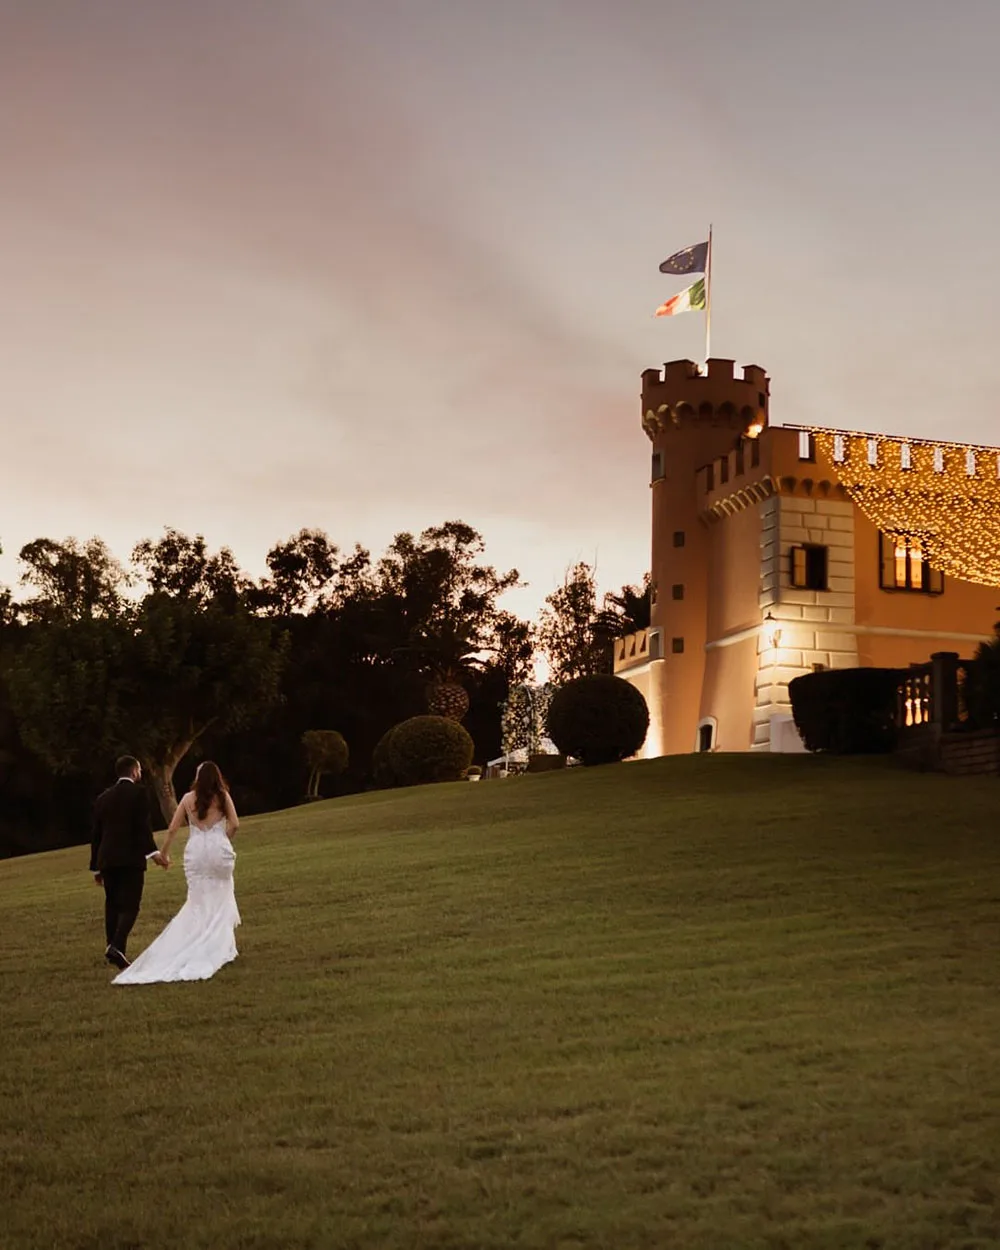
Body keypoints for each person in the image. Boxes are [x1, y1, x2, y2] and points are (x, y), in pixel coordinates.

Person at [113, 761, 241, 985]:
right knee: (221, 896)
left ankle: (199, 941)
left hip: (196, 852)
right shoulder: (223, 796)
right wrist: (222, 838)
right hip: (218, 850)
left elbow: (172, 828)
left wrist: (163, 854)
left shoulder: (187, 798)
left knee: (197, 900)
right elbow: (235, 824)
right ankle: (220, 945)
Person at [90, 755, 168, 971]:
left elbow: (96, 834)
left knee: (112, 903)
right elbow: (142, 828)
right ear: (134, 772)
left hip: (107, 858)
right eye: (140, 770)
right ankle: (116, 945)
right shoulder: (139, 793)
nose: (140, 774)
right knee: (131, 905)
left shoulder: (102, 798)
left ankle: (113, 947)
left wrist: (96, 867)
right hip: (130, 858)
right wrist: (155, 854)